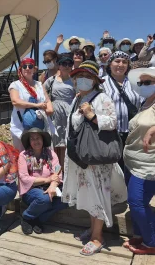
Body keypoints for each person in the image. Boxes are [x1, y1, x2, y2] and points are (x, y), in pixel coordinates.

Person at [62, 61, 127, 256]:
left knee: (98, 194)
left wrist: (92, 115)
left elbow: (113, 122)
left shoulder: (102, 98)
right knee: (90, 195)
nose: (83, 80)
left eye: (88, 77)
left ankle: (98, 237)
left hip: (96, 160)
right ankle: (94, 229)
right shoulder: (76, 98)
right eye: (79, 77)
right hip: (82, 158)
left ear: (95, 80)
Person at [123, 67, 155, 255]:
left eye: (148, 82)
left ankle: (152, 242)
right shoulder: (145, 102)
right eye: (141, 82)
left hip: (148, 164)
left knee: (137, 202)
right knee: (136, 201)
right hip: (132, 162)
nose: (143, 85)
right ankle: (143, 234)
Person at [18, 128, 67, 235]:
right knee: (44, 198)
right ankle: (26, 217)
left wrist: (52, 185)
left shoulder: (51, 154)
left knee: (66, 200)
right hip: (31, 189)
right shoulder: (23, 155)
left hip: (50, 186)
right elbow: (24, 178)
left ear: (43, 139)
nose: (36, 141)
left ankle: (38, 219)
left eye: (38, 138)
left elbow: (58, 171)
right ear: (29, 142)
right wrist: (47, 179)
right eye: (32, 139)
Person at [101, 51, 142, 172]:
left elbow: (143, 102)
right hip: (111, 133)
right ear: (110, 64)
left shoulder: (135, 82)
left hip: (133, 133)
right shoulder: (101, 83)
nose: (121, 64)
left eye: (124, 62)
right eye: (117, 61)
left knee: (131, 166)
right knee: (113, 168)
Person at [9, 57, 53, 152]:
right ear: (21, 69)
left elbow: (47, 100)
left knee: (40, 153)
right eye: (25, 66)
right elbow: (15, 101)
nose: (27, 68)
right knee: (22, 155)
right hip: (20, 127)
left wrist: (50, 109)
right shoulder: (15, 85)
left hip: (39, 125)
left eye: (30, 66)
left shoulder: (39, 85)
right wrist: (37, 105)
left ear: (34, 69)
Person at [44, 54, 76, 168]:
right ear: (59, 65)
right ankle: (56, 169)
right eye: (64, 64)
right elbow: (43, 92)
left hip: (70, 112)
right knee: (55, 140)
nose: (66, 66)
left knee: (67, 141)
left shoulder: (75, 80)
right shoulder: (51, 80)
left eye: (69, 64)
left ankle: (66, 169)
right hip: (54, 113)